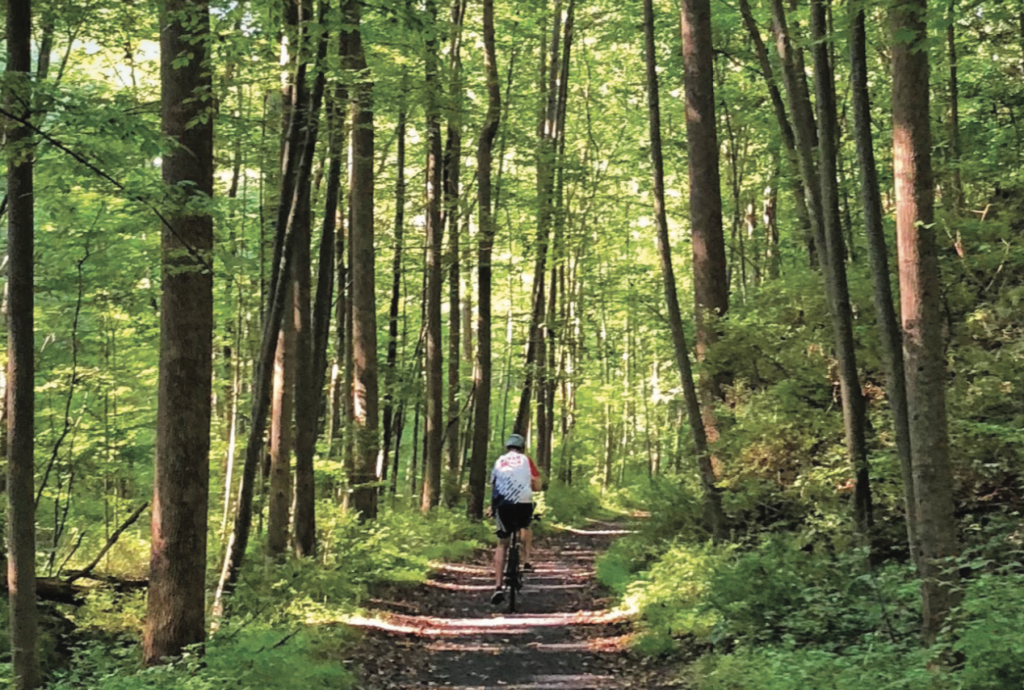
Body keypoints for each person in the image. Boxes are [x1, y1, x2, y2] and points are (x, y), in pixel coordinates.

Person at [488, 433, 542, 606]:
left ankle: (497, 586)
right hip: (523, 504)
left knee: (502, 543)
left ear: (507, 447)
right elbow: (537, 485)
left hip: (503, 505)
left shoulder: (500, 461)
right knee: (525, 525)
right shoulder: (526, 461)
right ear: (522, 447)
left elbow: (494, 485)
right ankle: (524, 560)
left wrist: (492, 506)